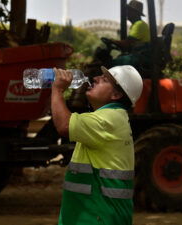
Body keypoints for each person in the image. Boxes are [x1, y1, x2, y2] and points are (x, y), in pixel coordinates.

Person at [51, 65, 143, 225]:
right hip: (95, 215)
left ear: (116, 94)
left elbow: (64, 125)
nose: (95, 78)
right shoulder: (112, 117)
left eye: (104, 79)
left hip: (98, 216)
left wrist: (57, 90)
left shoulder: (109, 119)